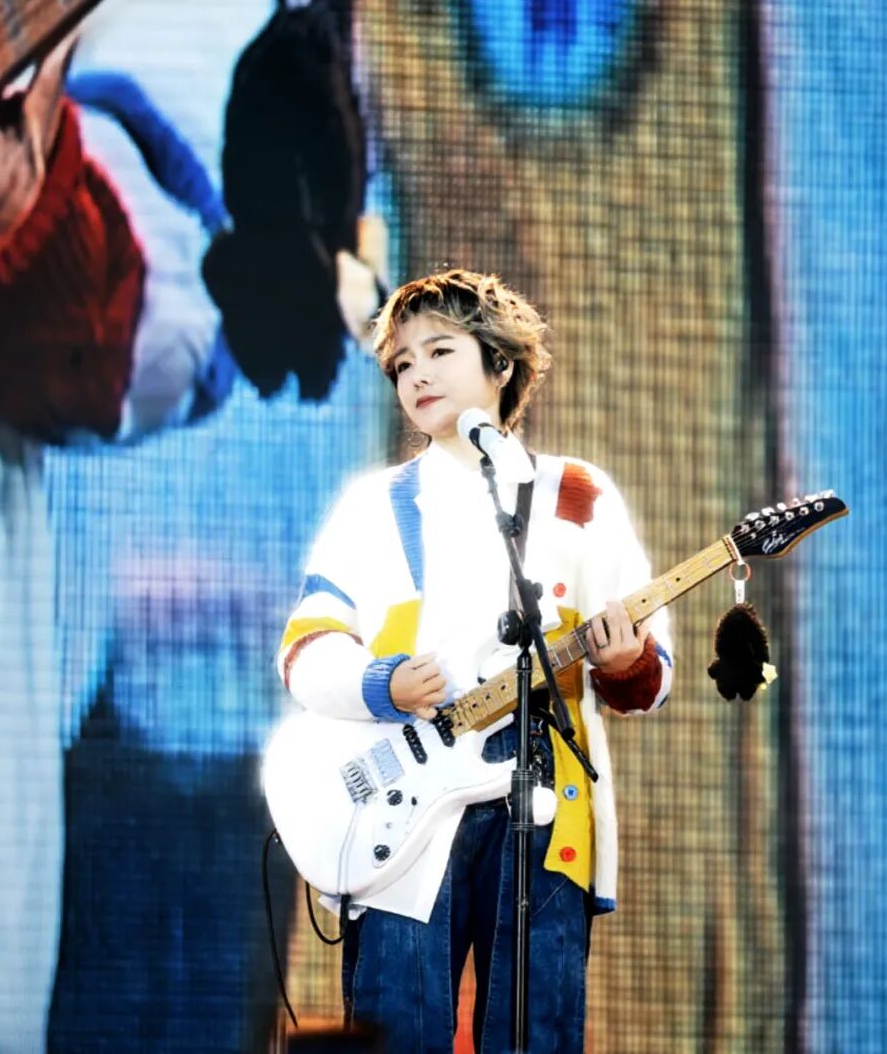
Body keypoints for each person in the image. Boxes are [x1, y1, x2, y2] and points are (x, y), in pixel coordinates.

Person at [276, 269, 674, 1052]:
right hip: (401, 814)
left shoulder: (577, 494)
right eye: (402, 364)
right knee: (399, 1030)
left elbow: (648, 674)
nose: (416, 374)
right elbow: (304, 650)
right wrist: (381, 682)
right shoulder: (372, 506)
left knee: (533, 1031)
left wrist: (627, 658)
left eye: (439, 351)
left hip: (548, 810)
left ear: (501, 364)